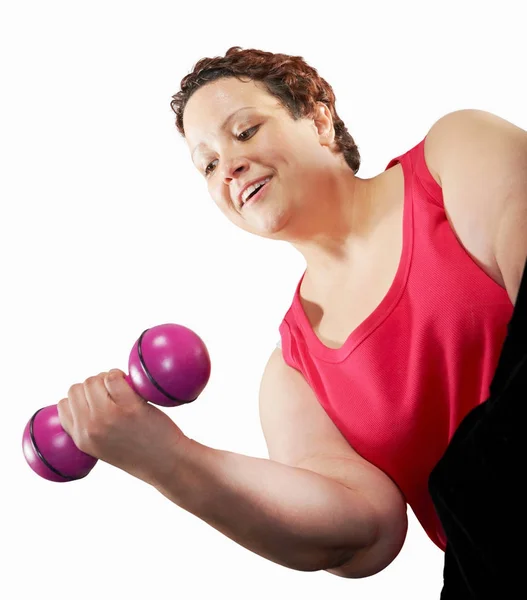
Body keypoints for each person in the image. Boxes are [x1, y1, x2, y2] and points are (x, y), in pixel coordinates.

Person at [57, 47, 527, 597]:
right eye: (207, 164)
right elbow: (362, 536)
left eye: (245, 132)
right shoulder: (292, 375)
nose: (228, 166)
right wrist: (166, 457)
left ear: (318, 117)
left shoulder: (454, 155)